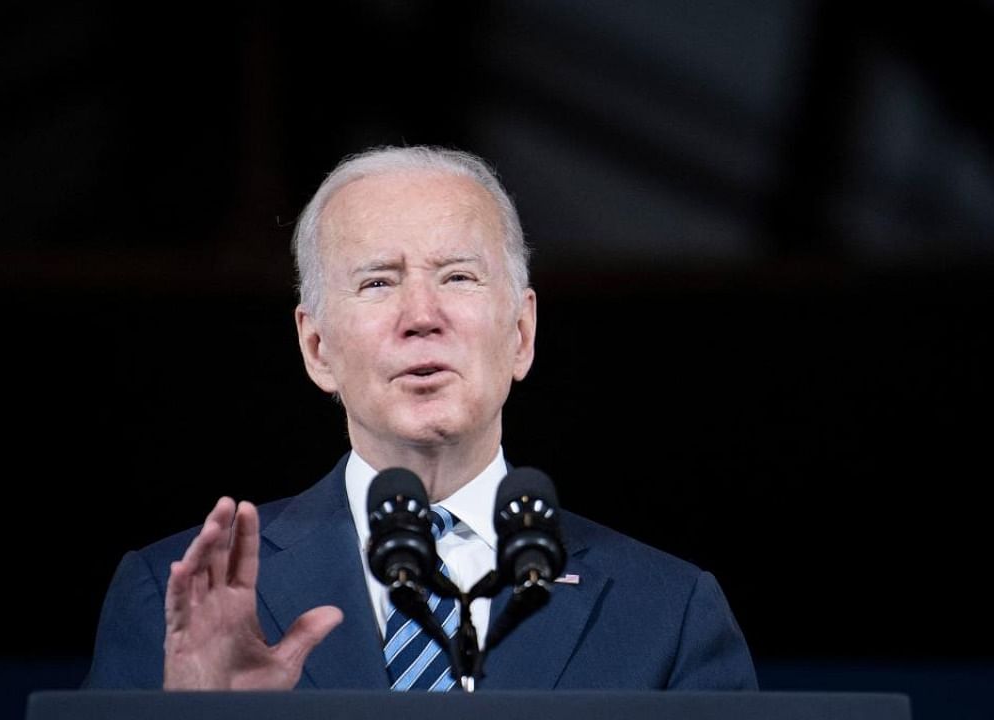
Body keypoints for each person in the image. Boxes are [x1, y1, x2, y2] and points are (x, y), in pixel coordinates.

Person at [83, 145, 757, 691]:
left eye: (458, 277)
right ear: (317, 348)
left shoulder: (667, 614)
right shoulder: (176, 600)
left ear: (520, 334)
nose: (422, 316)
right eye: (378, 282)